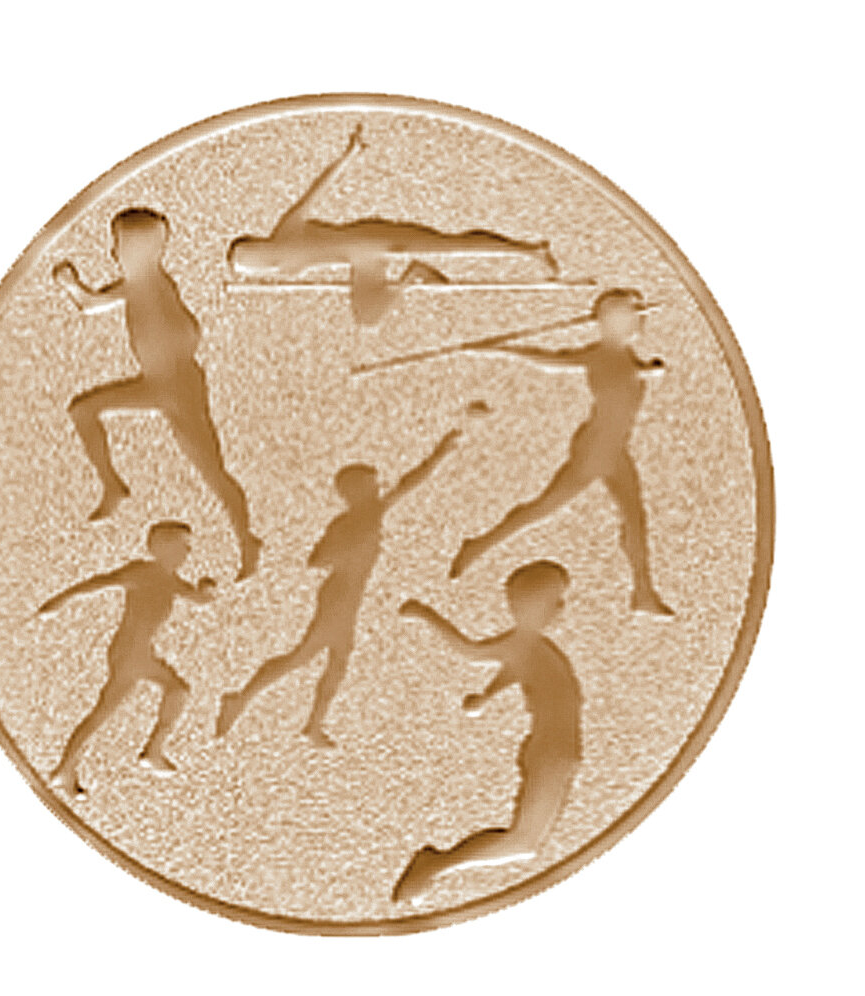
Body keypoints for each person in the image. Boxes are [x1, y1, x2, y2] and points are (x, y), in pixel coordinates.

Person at [215, 426, 462, 747]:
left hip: (348, 597)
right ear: (356, 491)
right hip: (339, 597)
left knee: (330, 660)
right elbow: (317, 560)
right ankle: (247, 700)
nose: (378, 489)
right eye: (372, 485)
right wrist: (347, 549)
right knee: (306, 657)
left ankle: (306, 722)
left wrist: (440, 454)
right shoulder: (352, 521)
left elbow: (406, 485)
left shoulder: (368, 515)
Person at [55, 208, 262, 579]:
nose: (112, 253)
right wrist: (72, 285)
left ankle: (246, 540)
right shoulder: (135, 286)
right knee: (83, 410)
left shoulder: (155, 288)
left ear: (139, 251)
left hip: (179, 389)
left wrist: (173, 356)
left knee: (212, 472)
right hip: (155, 384)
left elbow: (188, 334)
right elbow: (89, 305)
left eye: (118, 246)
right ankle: (112, 486)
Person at [450, 288, 674, 615]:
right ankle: (477, 546)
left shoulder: (626, 357)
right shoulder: (599, 355)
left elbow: (628, 375)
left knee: (634, 518)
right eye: (634, 313)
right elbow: (550, 359)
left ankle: (643, 592)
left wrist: (647, 370)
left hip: (616, 450)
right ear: (614, 320)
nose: (641, 320)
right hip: (597, 449)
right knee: (545, 507)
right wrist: (502, 349)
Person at [227, 125, 559, 326]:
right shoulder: (282, 270)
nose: (255, 267)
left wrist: (348, 155)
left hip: (371, 239)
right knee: (367, 316)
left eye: (249, 258)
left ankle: (530, 250)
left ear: (257, 242)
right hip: (361, 261)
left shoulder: (286, 232)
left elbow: (316, 191)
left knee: (452, 245)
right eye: (249, 270)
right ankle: (412, 275)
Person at [392, 560, 581, 903]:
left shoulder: (532, 648)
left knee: (526, 842)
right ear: (532, 605)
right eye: (554, 600)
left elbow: (519, 671)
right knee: (524, 843)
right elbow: (470, 650)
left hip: (558, 752)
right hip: (552, 751)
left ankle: (434, 867)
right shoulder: (525, 645)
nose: (560, 608)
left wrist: (488, 695)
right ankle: (434, 867)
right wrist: (425, 614)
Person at [38, 521, 215, 797]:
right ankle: (71, 768)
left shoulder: (169, 579)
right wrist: (58, 601)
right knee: (113, 709)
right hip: (129, 652)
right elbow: (98, 583)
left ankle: (74, 767)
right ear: (164, 547)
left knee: (173, 692)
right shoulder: (142, 573)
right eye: (183, 545)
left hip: (140, 651)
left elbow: (197, 598)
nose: (188, 552)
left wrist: (207, 591)